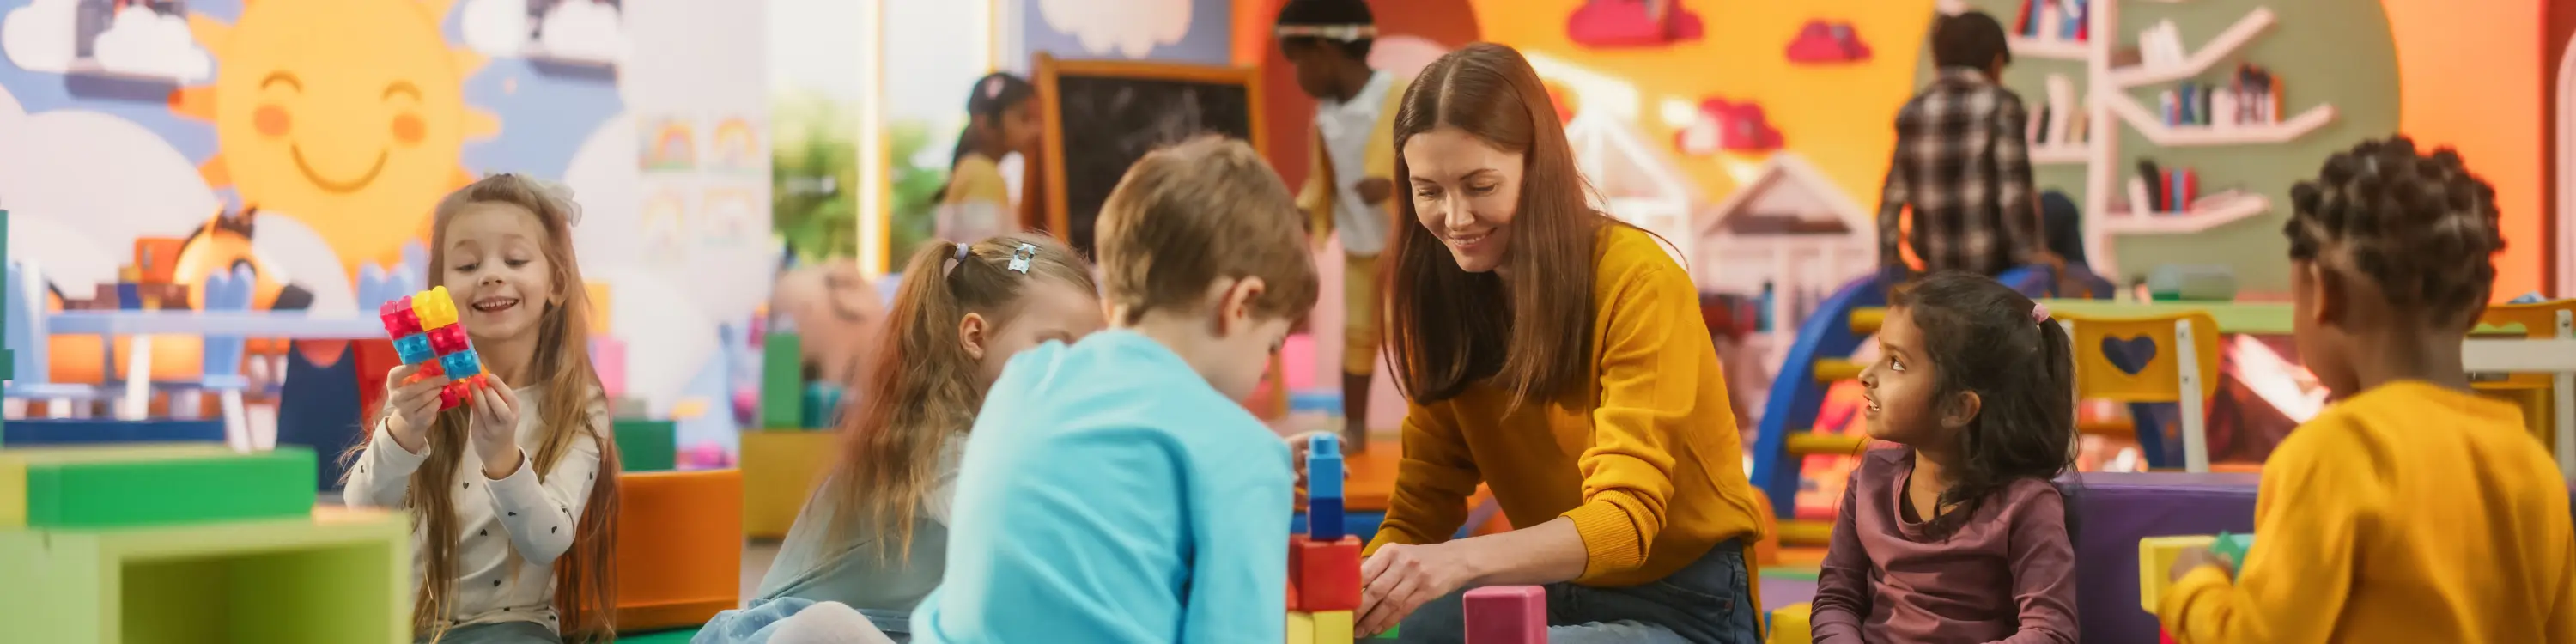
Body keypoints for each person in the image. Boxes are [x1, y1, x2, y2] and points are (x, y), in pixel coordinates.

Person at [1350, 43, 1766, 643]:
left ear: (1537, 167)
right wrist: (1356, 594)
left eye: (1480, 184)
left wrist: (1460, 562)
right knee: (1416, 632)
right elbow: (1420, 509)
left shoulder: (1636, 280)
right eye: (1428, 191)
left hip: (1689, 604)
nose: (1456, 217)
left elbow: (1624, 524)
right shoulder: (1449, 293)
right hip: (1549, 592)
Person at [2156, 137, 2576, 641]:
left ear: (2323, 293)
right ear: (2473, 305)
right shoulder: (2533, 467)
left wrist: (2194, 585)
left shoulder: (2335, 455)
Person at [908, 137, 1319, 642]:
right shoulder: (1244, 453)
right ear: (1239, 303)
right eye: (1272, 345)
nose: (1263, 367)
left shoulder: (1023, 382)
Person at [694, 234, 1104, 643]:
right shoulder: (939, 448)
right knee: (828, 626)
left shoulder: (1009, 451)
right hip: (777, 635)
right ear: (975, 337)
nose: (1074, 376)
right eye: (1055, 347)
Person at [344, 174, 622, 644]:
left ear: (556, 282)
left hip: (510, 624)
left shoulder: (577, 405)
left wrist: (501, 459)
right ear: (441, 291)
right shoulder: (420, 393)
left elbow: (548, 539)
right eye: (468, 264)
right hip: (402, 622)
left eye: (515, 259)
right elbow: (362, 511)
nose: (491, 274)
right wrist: (402, 433)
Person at [1809, 271, 2078, 643]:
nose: (1866, 375)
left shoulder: (2026, 506)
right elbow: (1837, 599)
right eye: (1879, 354)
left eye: (1896, 363)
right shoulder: (1871, 479)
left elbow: (2050, 632)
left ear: (1958, 407)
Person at [1277, 0, 1413, 452]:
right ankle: (1354, 426)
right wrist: (1303, 209)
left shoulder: (1398, 96)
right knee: (1358, 336)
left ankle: (1439, 426)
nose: (1298, 78)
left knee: (1418, 335)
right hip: (1360, 246)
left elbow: (1432, 157)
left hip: (1407, 246)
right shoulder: (1326, 116)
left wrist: (1396, 184)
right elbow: (1322, 180)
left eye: (1299, 63)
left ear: (1324, 50)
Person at [1875, 10, 2052, 280]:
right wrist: (2031, 254)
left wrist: (1891, 263)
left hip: (1936, 264)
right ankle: (2085, 297)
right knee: (2059, 207)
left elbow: (1892, 198)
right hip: (1994, 263)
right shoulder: (2001, 104)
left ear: (1937, 62)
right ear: (1995, 62)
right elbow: (2013, 192)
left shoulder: (1912, 111)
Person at [933, 73, 1039, 244]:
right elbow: (982, 256)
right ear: (985, 123)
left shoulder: (974, 168)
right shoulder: (982, 175)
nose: (1036, 130)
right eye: (1024, 119)